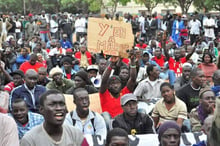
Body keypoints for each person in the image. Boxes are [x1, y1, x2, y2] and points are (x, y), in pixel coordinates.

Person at [20, 89, 89, 146]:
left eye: (62, 104)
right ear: (41, 110)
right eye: (52, 105)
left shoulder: (76, 134)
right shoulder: (30, 140)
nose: (59, 108)